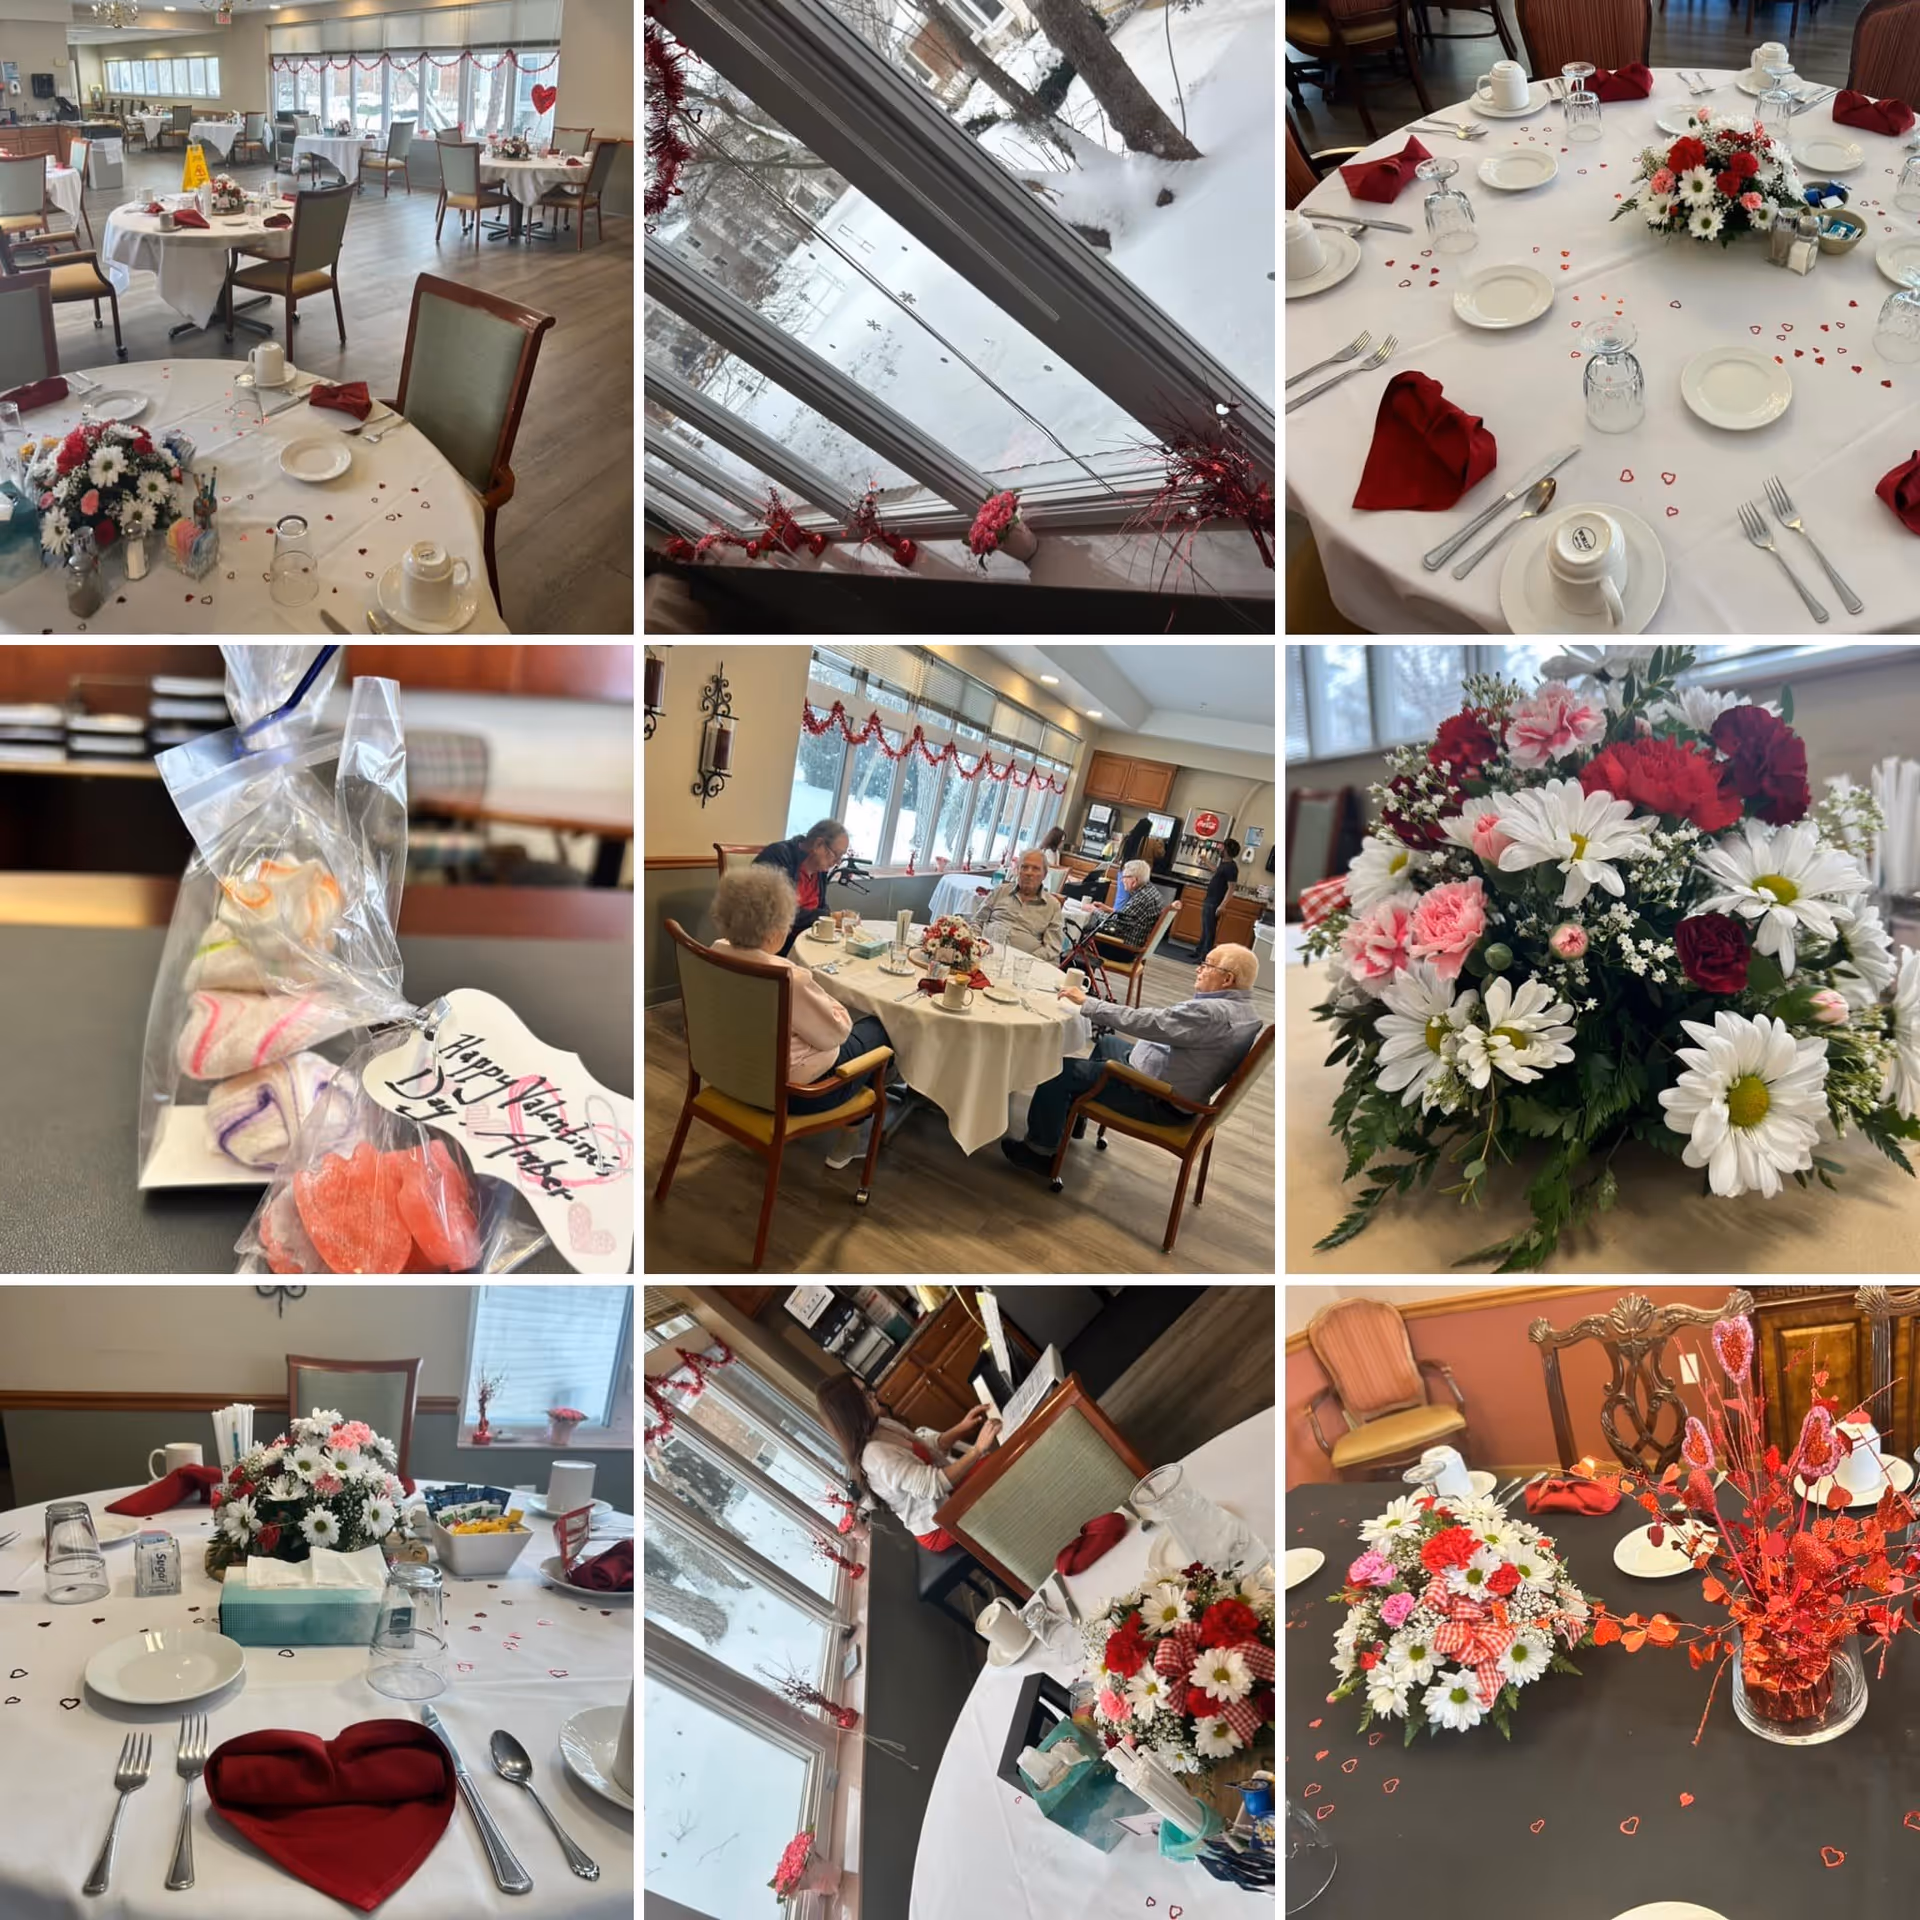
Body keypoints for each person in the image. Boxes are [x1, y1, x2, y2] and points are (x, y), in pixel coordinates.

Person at [1001, 943, 1262, 1177]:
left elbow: (1147, 1023)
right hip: (1172, 1083)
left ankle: (1039, 1151)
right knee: (1107, 1043)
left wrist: (1089, 1003)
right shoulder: (1248, 1014)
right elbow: (1165, 1025)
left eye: (1207, 965)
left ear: (1227, 979)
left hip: (1159, 1099)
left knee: (1057, 1072)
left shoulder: (1211, 1012)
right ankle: (1073, 1118)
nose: (1199, 969)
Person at [711, 866, 890, 1170]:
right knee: (880, 1027)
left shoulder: (714, 953)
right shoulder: (788, 978)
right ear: (775, 932)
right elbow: (837, 1033)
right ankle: (854, 1132)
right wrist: (833, 1003)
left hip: (730, 1075)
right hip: (797, 1096)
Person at [815, 1374, 1001, 1551]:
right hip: (938, 1524)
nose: (872, 1393)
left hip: (946, 1499)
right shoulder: (875, 1455)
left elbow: (923, 1450)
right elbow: (934, 1485)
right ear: (852, 1408)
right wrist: (977, 1450)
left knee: (996, 1466)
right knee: (1000, 1468)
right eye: (864, 1393)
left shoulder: (880, 1426)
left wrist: (960, 1428)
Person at [753, 818, 850, 955]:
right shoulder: (778, 856)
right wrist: (827, 916)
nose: (837, 862)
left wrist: (833, 919)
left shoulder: (819, 869)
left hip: (805, 943)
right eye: (836, 855)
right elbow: (779, 915)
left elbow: (821, 906)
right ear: (818, 844)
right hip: (773, 946)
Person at [974, 848, 1064, 957]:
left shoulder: (1053, 906)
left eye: (1035, 869)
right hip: (984, 953)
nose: (1029, 873)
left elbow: (1052, 947)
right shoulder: (1000, 891)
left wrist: (1025, 960)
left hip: (1023, 965)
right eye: (1024, 867)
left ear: (1044, 875)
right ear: (1017, 870)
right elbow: (977, 922)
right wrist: (976, 946)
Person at [1087, 858, 1171, 968]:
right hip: (1132, 946)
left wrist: (1095, 911)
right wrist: (1109, 909)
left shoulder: (1141, 899)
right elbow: (1131, 918)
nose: (1122, 880)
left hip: (1124, 950)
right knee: (1087, 933)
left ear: (1134, 880)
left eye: (1124, 877)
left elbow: (1114, 925)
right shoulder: (1149, 892)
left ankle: (1080, 981)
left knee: (1082, 938)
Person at [1199, 837, 1241, 958]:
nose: (1220, 849)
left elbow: (1231, 888)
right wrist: (1206, 861)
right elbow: (1217, 871)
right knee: (1205, 928)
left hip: (1215, 902)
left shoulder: (1232, 868)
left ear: (1227, 850)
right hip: (1210, 899)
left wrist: (1222, 905)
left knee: (1209, 931)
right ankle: (1198, 952)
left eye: (1222, 847)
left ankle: (1205, 956)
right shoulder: (1225, 864)